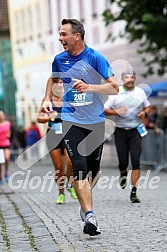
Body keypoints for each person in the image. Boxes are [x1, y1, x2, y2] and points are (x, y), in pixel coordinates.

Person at [41, 18, 119, 236]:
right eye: (59, 34)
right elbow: (52, 78)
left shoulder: (95, 57)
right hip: (71, 120)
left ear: (77, 36)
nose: (60, 38)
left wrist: (90, 87)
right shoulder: (59, 59)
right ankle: (90, 215)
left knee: (93, 172)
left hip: (95, 122)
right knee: (79, 166)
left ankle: (84, 204)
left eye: (64, 34)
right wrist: (47, 98)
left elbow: (114, 88)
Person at [104, 70, 150, 203]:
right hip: (120, 131)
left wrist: (143, 113)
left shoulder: (140, 92)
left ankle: (134, 192)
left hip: (135, 130)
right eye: (126, 77)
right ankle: (123, 172)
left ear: (135, 79)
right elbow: (104, 109)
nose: (129, 80)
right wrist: (116, 111)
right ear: (122, 79)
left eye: (132, 77)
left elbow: (147, 107)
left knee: (136, 160)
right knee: (123, 162)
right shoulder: (116, 92)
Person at [37, 78, 77, 204]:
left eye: (61, 82)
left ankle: (70, 185)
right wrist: (49, 116)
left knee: (70, 163)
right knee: (59, 167)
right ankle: (61, 193)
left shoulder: (69, 99)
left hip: (68, 133)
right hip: (53, 134)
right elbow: (39, 117)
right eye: (57, 82)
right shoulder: (47, 101)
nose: (60, 85)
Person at [0, 110, 11, 184]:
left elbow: (10, 131)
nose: (1, 116)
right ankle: (0, 176)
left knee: (7, 158)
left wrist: (9, 135)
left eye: (1, 115)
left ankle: (6, 173)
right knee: (0, 161)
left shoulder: (8, 123)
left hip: (6, 143)